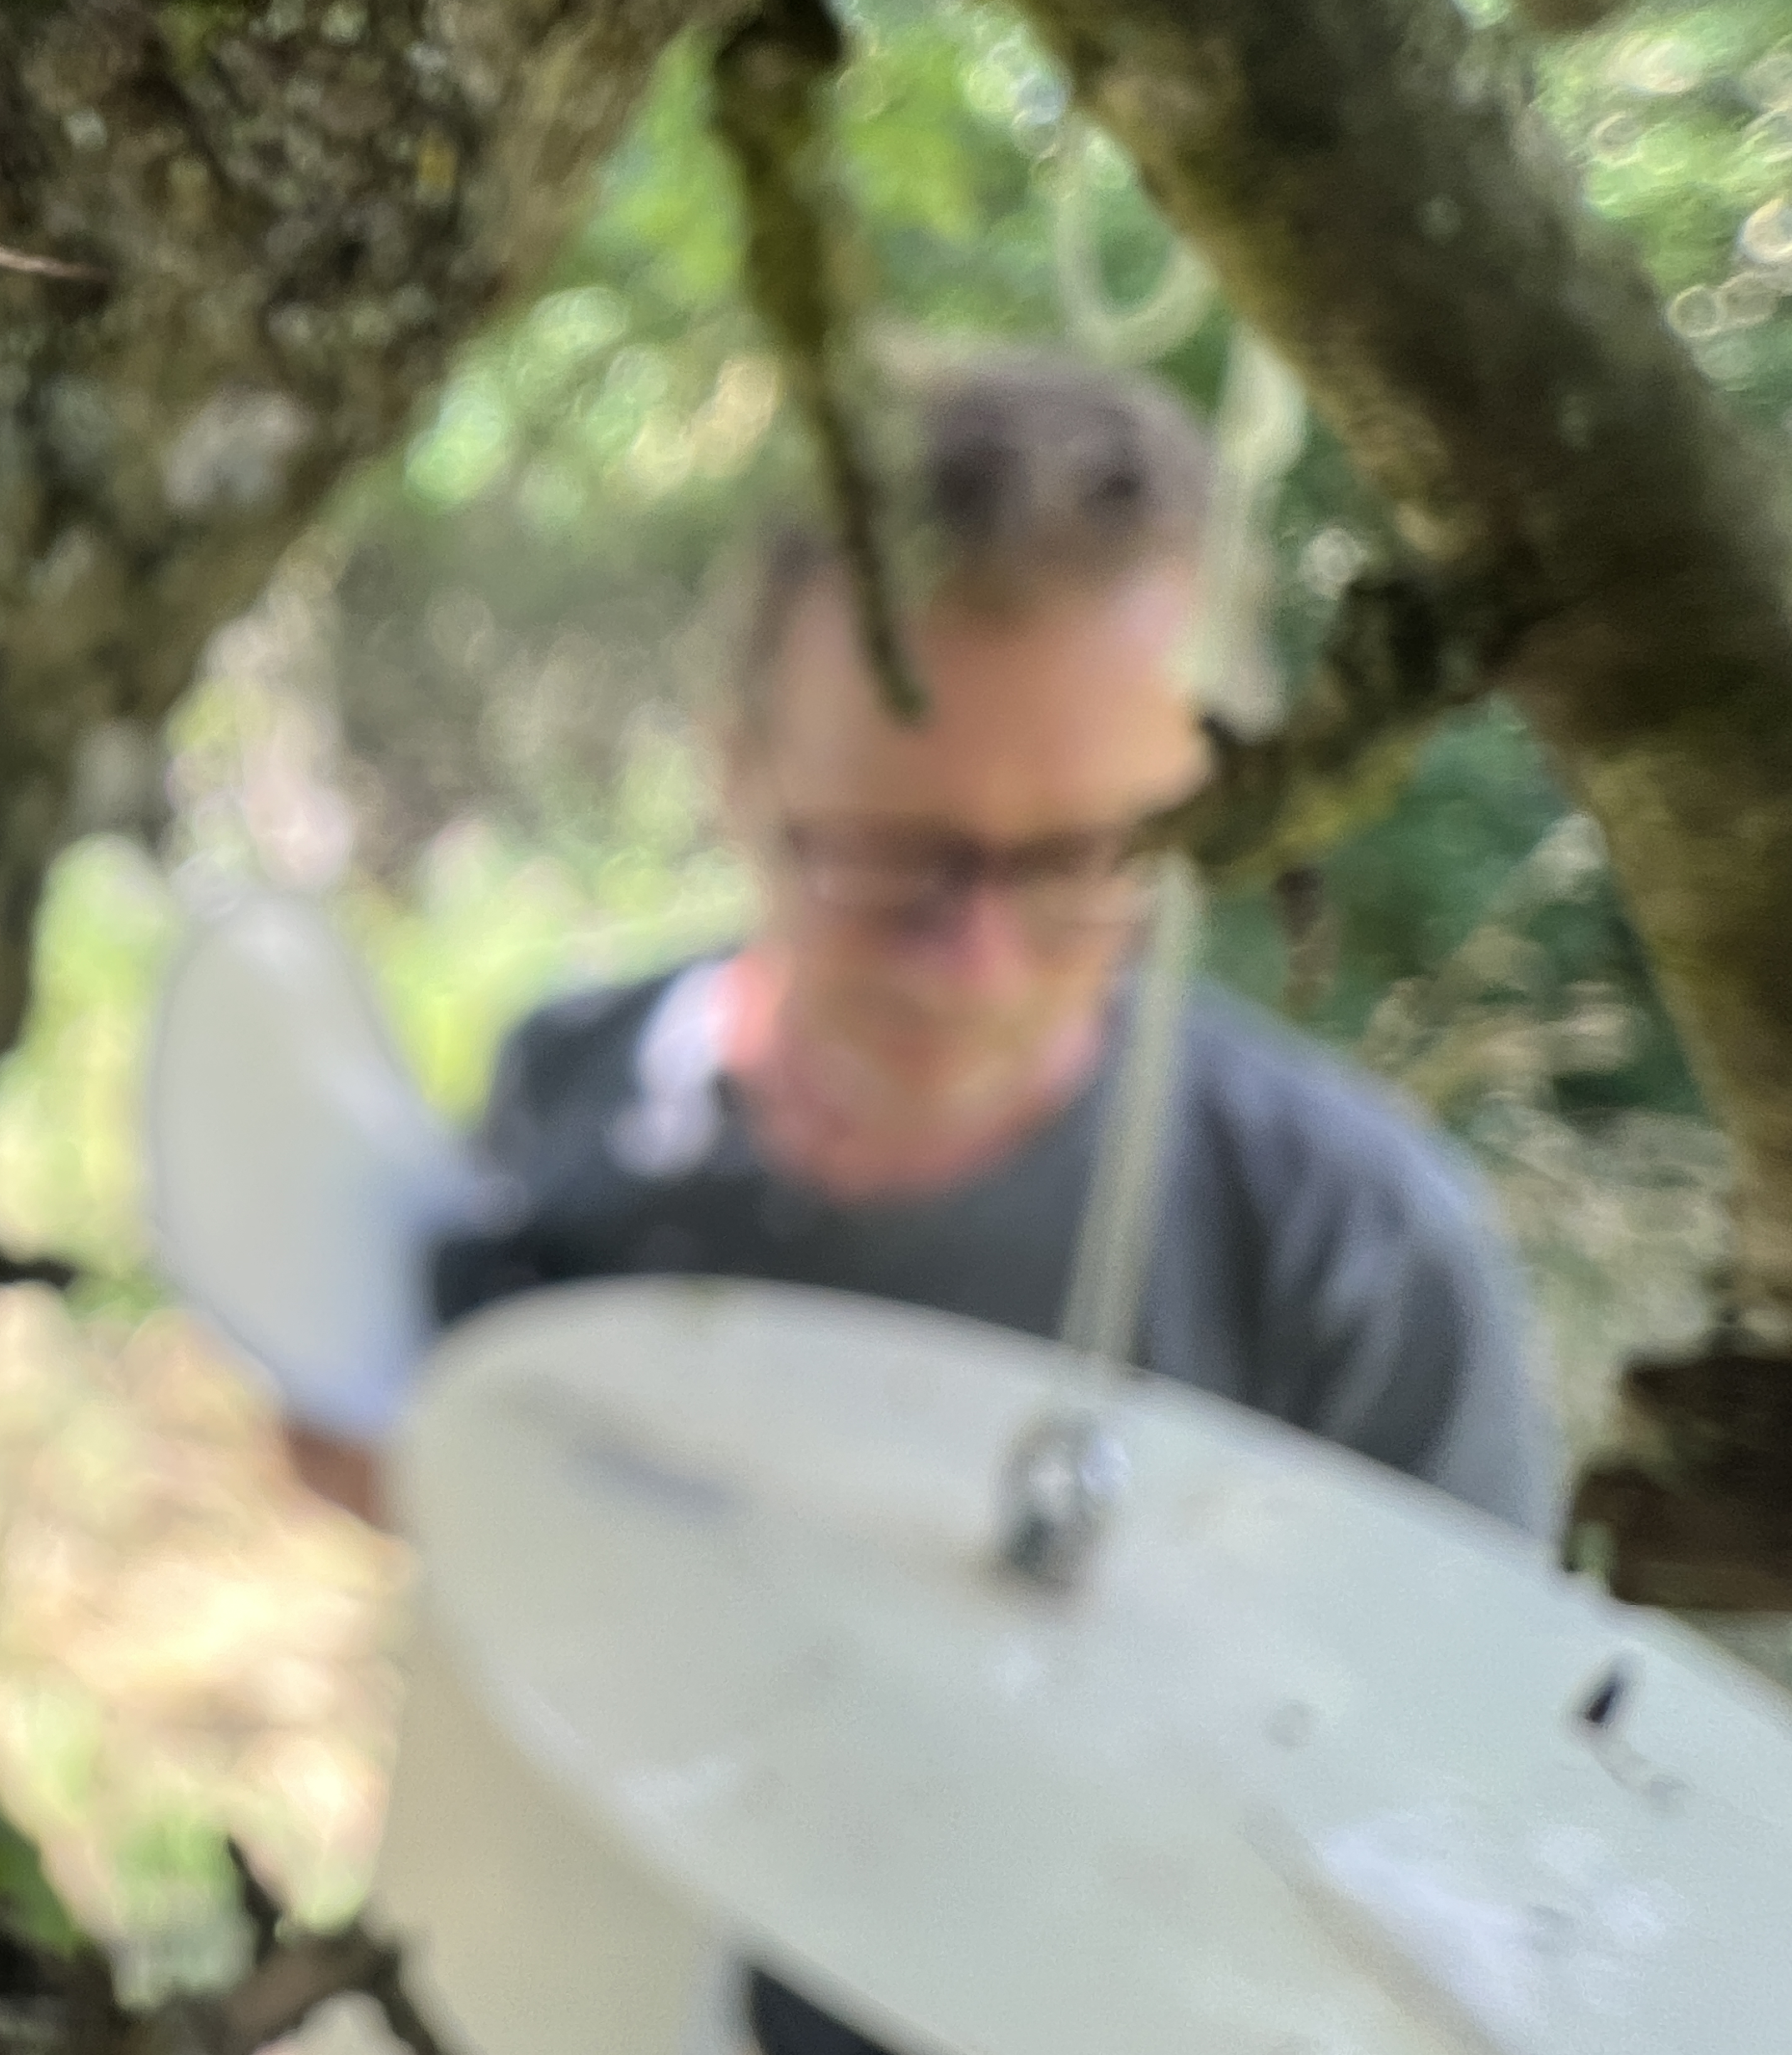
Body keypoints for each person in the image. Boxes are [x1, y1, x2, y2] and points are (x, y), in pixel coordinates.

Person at [284, 345, 1558, 1543]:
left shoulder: (1354, 1271)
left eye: (1083, 861)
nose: (973, 962)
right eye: (886, 850)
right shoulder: (562, 1099)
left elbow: (1466, 1743)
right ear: (738, 773)